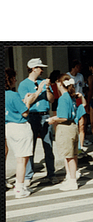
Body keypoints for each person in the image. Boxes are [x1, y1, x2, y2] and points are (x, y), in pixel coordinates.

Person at [18, 58, 58, 187]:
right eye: (40, 68)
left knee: (48, 146)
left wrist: (46, 89)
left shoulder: (43, 82)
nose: (42, 70)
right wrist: (38, 91)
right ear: (34, 68)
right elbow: (25, 101)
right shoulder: (24, 84)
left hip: (45, 115)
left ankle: (51, 174)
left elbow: (51, 100)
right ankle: (28, 175)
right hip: (32, 117)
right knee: (30, 148)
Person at [5, 68, 43, 198]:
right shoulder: (12, 94)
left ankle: (19, 186)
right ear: (9, 80)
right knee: (22, 160)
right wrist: (27, 101)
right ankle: (20, 188)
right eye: (13, 78)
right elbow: (25, 112)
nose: (15, 80)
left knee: (19, 158)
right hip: (20, 127)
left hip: (9, 127)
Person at [48, 74, 80, 191]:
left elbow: (63, 117)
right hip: (73, 127)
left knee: (69, 156)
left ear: (60, 83)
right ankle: (71, 177)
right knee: (73, 155)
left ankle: (72, 181)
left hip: (65, 128)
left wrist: (53, 119)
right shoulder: (71, 96)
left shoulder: (63, 98)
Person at [67, 60, 91, 154]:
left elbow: (84, 87)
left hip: (80, 100)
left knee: (82, 124)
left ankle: (81, 146)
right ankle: (73, 145)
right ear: (74, 67)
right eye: (78, 67)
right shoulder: (67, 76)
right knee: (73, 124)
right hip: (72, 101)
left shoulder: (80, 76)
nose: (80, 69)